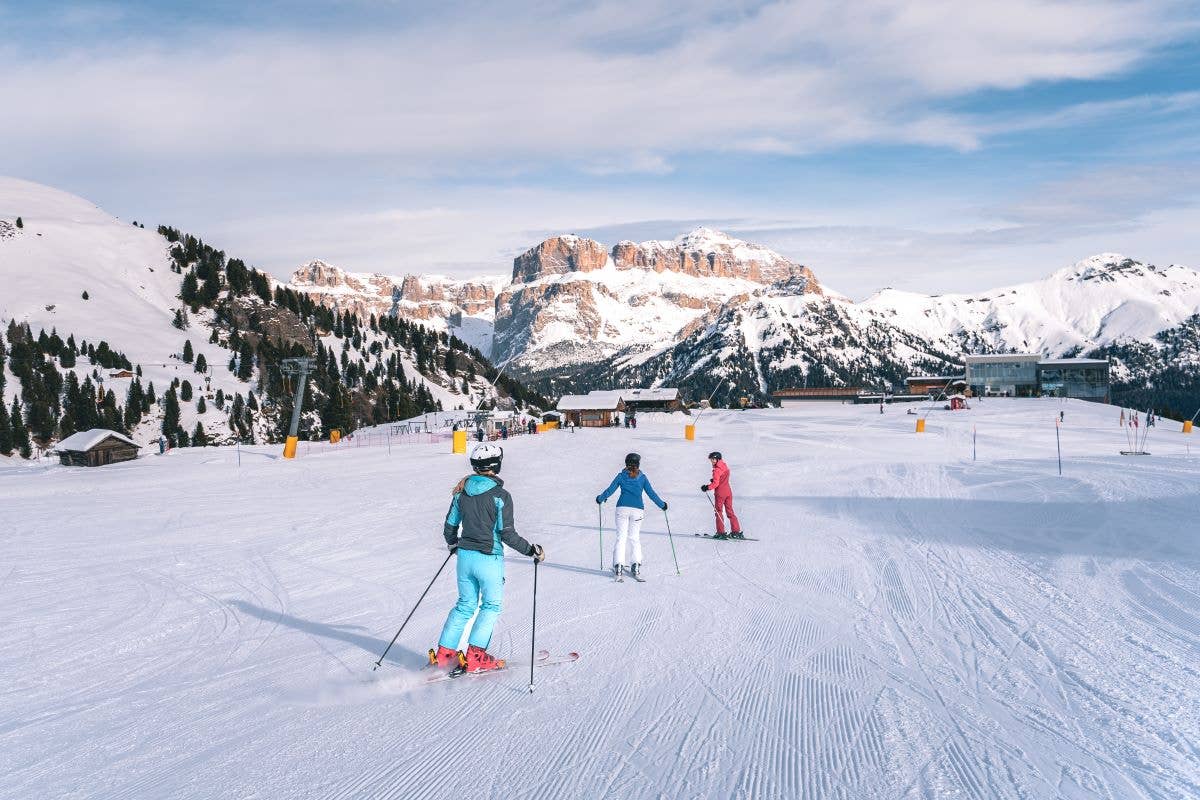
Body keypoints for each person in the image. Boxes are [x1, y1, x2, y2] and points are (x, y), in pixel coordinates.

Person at [430, 444, 545, 673]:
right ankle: (475, 656)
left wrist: (453, 544)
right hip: (488, 559)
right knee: (490, 606)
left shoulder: (461, 492)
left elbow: (450, 526)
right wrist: (532, 550)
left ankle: (445, 654)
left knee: (465, 606)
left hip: (464, 558)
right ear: (495, 465)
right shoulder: (501, 496)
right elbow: (507, 534)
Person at [595, 453, 666, 581]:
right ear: (638, 464)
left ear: (626, 463)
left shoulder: (621, 476)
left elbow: (610, 490)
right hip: (637, 510)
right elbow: (651, 494)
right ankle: (636, 566)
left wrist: (600, 498)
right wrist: (662, 505)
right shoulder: (642, 478)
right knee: (634, 538)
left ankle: (618, 566)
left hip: (622, 509)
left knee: (621, 538)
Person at [702, 451, 743, 540]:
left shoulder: (716, 470)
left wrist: (707, 487)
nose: (712, 461)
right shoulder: (725, 466)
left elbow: (716, 484)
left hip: (720, 493)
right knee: (730, 511)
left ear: (717, 459)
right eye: (711, 459)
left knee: (718, 511)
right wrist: (715, 479)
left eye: (713, 459)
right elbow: (723, 477)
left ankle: (721, 532)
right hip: (728, 492)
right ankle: (736, 531)